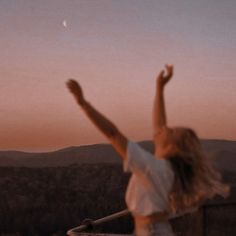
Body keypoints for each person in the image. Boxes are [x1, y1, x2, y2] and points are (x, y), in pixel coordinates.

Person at [66, 65, 230, 236]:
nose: (165, 129)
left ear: (173, 147)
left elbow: (113, 134)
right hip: (154, 229)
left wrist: (83, 103)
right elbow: (159, 125)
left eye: (171, 131)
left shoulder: (152, 167)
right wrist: (160, 88)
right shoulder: (167, 168)